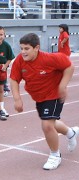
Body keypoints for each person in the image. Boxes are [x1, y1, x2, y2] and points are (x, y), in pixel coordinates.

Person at [10, 33, 79, 170]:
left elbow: (69, 67)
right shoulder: (19, 60)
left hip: (54, 94)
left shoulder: (50, 58)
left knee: (47, 125)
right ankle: (71, 132)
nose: (23, 52)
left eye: (26, 49)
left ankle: (55, 155)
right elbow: (13, 79)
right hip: (39, 97)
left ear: (36, 48)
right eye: (21, 48)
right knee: (51, 122)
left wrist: (62, 85)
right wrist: (17, 99)